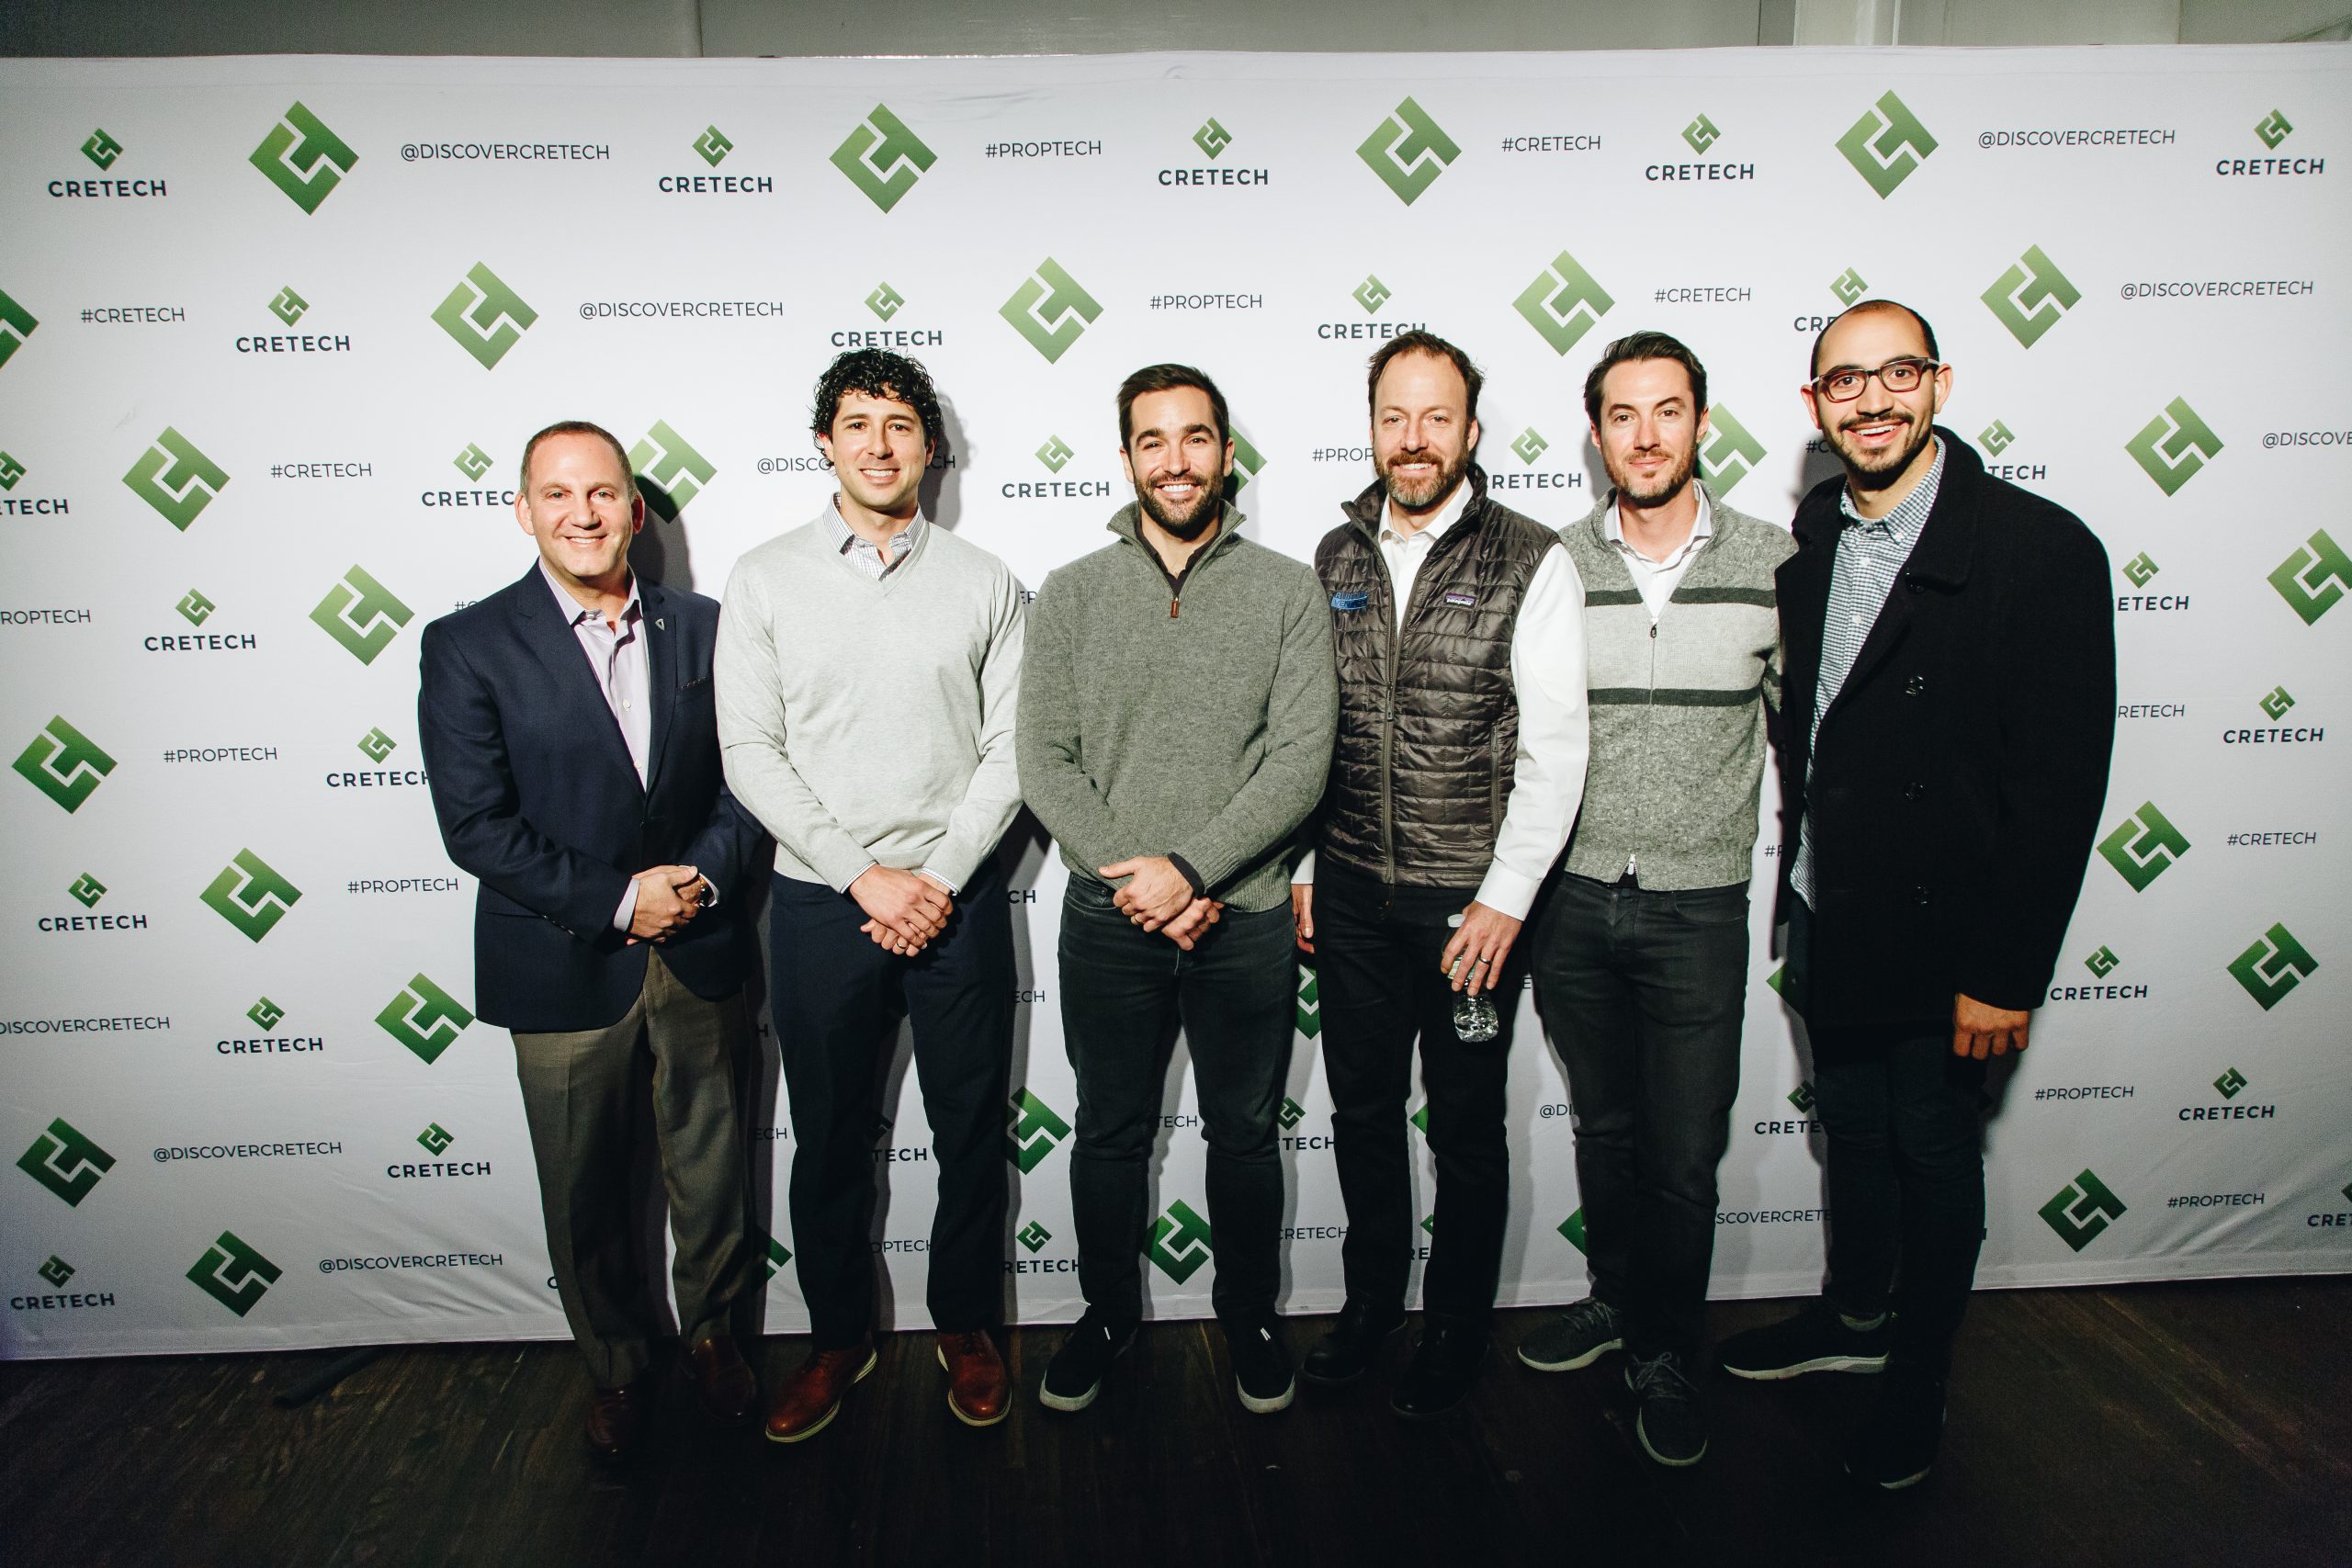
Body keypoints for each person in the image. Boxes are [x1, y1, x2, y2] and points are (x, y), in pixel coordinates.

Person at [1714, 299, 2115, 1489]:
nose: (1873, 399)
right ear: (1814, 405)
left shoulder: (2037, 549)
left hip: (1950, 931)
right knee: (1851, 1123)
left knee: (1933, 1144)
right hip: (1832, 907)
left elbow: (2060, 788)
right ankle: (1854, 1313)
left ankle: (1918, 1374)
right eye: (1845, 381)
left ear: (1940, 382)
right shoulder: (1813, 539)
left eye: (1897, 373)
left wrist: (2006, 970)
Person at [417, 420, 767, 1462]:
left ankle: (716, 1341)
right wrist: (620, 901)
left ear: (635, 509)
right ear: (523, 511)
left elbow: (750, 778)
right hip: (561, 961)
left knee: (713, 1171)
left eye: (603, 492)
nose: (584, 513)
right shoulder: (467, 644)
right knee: (582, 1189)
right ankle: (614, 1366)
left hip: (699, 945)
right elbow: (476, 825)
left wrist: (696, 882)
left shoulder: (707, 627)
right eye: (559, 494)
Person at [715, 350, 1026, 1440]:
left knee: (971, 1131)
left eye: (900, 425)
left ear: (930, 448)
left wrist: (934, 879)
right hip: (820, 903)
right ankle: (837, 1336)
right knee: (830, 1137)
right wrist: (862, 874)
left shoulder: (984, 580)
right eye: (857, 424)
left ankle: (967, 1325)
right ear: (825, 443)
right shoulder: (763, 578)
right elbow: (749, 752)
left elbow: (1011, 749)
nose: (880, 445)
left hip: (957, 903)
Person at [1016, 363, 1336, 1416]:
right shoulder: (1071, 591)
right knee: (1110, 1131)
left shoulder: (1286, 589)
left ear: (1226, 453)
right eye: (1152, 441)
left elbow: (1300, 761)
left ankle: (1247, 1315)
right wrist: (1142, 880)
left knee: (1243, 1133)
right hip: (1110, 919)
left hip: (1243, 917)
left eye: (1195, 437)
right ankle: (1106, 1315)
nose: (1176, 460)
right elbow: (1044, 761)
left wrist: (1192, 871)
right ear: (1125, 459)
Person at [1295, 331, 1589, 1416]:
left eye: (1435, 418)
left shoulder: (1530, 557)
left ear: (1470, 429)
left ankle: (1457, 1323)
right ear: (1371, 427)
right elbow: (1309, 731)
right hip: (1349, 892)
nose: (1412, 439)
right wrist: (1303, 866)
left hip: (1468, 905)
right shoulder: (1334, 556)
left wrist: (1505, 899)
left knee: (1463, 1128)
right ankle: (1373, 1300)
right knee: (1364, 1113)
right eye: (1394, 417)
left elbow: (1557, 749)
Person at [1514, 331, 1792, 1467]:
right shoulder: (1553, 563)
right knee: (1605, 1127)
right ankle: (1614, 1297)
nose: (1645, 435)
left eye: (1666, 410)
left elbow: (1814, 744)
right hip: (1572, 901)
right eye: (1621, 415)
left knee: (1681, 1154)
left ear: (1701, 422)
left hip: (1699, 907)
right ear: (1595, 435)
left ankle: (1665, 1350)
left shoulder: (1774, 562)